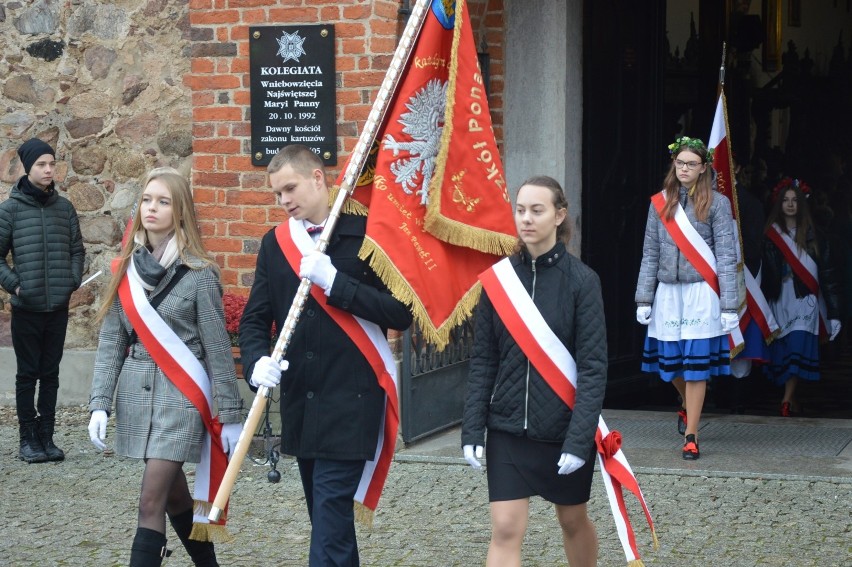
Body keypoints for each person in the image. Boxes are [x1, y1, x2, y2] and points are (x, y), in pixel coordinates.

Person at [238, 144, 412, 566]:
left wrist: (337, 283)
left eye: (290, 188)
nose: (284, 201)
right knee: (328, 522)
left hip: (352, 398)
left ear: (318, 178)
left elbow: (400, 312)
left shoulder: (368, 232)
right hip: (304, 399)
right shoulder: (276, 244)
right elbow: (254, 319)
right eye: (277, 193)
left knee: (330, 518)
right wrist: (257, 360)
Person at [87, 168, 243, 567]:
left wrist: (230, 415)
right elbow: (112, 340)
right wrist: (99, 403)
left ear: (180, 212)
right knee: (174, 496)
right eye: (147, 200)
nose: (152, 208)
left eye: (163, 201)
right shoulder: (126, 268)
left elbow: (217, 348)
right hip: (136, 396)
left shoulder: (200, 273)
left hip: (181, 398)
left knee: (150, 500)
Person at [462, 175, 605, 567]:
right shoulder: (498, 282)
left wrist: (579, 440)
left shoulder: (583, 282)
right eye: (521, 210)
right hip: (507, 429)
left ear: (559, 215)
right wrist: (473, 428)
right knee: (506, 527)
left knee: (572, 520)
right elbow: (484, 361)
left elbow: (593, 369)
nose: (526, 219)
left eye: (537, 210)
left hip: (562, 429)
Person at [635, 137, 738, 459]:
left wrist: (729, 304)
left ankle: (691, 434)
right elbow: (650, 253)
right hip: (668, 293)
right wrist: (643, 298)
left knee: (696, 366)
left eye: (691, 164)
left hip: (701, 293)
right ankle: (685, 403)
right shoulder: (660, 203)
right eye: (680, 163)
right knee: (671, 365)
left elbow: (725, 254)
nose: (684, 169)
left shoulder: (718, 204)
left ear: (704, 167)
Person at [0, 138, 85, 464]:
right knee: (27, 374)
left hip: (57, 308)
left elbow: (77, 250)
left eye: (52, 163)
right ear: (27, 167)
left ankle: (47, 438)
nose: (49, 169)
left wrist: (72, 281)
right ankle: (27, 440)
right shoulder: (10, 210)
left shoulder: (64, 209)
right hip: (27, 309)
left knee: (50, 373)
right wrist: (16, 287)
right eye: (41, 164)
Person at [760, 177, 841, 416]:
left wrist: (835, 313)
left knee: (798, 346)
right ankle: (791, 398)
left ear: (802, 203)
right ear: (779, 203)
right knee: (783, 349)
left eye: (795, 200)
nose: (790, 204)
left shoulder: (815, 235)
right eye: (786, 200)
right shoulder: (769, 235)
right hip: (779, 298)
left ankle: (786, 399)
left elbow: (828, 275)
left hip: (805, 300)